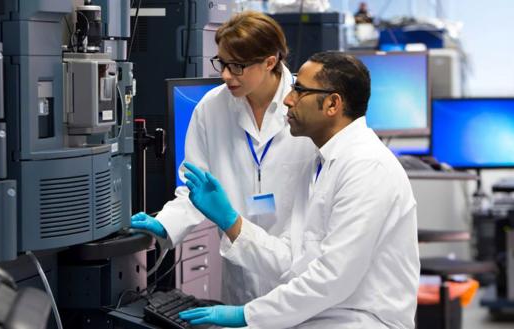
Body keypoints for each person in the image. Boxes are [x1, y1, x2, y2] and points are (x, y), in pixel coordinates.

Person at [178, 52, 420, 328]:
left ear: (332, 104)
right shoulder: (321, 164)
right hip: (324, 315)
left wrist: (247, 314)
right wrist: (232, 223)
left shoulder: (367, 167)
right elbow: (293, 260)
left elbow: (333, 278)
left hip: (360, 320)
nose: (287, 100)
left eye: (300, 90)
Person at [130, 11, 318, 304]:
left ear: (270, 61)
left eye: (237, 66)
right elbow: (195, 189)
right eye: (222, 63)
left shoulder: (306, 108)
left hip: (296, 277)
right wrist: (165, 224)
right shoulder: (211, 108)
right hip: (239, 276)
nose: (225, 75)